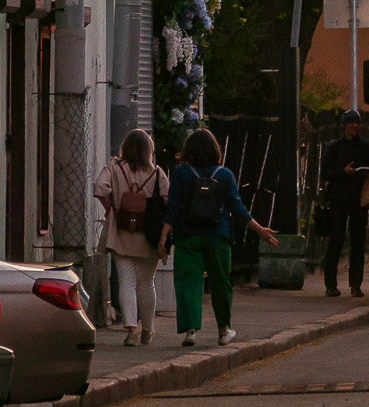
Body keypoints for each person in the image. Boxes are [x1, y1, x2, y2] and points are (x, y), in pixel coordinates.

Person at [159, 128, 278, 347]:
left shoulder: (182, 174)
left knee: (188, 282)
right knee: (221, 283)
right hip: (218, 236)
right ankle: (224, 330)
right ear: (215, 149)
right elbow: (237, 208)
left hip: (188, 236)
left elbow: (173, 208)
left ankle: (191, 330)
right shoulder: (224, 175)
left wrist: (163, 237)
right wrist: (260, 229)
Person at [93, 129, 169, 346]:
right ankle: (148, 329)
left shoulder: (114, 168)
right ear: (149, 150)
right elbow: (168, 198)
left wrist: (112, 209)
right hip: (148, 234)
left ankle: (131, 331)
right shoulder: (156, 173)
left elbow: (99, 188)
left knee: (127, 281)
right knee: (147, 283)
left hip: (121, 232)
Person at [320, 109, 369, 298]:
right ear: (344, 125)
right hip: (338, 199)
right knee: (336, 241)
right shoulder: (334, 147)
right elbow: (325, 173)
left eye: (357, 122)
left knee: (358, 243)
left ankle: (356, 285)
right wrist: (343, 172)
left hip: (359, 200)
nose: (355, 125)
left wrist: (367, 173)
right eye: (351, 122)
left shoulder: (367, 147)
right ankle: (330, 284)